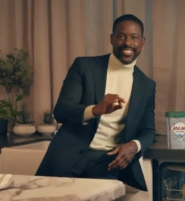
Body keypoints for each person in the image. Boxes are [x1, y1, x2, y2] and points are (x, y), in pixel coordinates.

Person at [36, 14, 156, 191]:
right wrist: (95, 110)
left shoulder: (146, 85)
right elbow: (61, 111)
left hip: (107, 163)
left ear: (142, 42)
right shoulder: (84, 66)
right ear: (112, 39)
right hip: (67, 158)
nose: (127, 42)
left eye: (134, 37)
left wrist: (133, 146)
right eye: (121, 36)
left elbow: (148, 131)